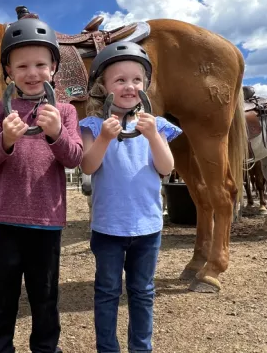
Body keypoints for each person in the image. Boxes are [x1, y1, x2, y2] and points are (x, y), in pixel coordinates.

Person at [0, 17, 84, 353]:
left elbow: (74, 158)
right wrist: (6, 140)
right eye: (22, 65)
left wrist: (55, 133)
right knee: (2, 297)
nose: (32, 72)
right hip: (6, 220)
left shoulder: (65, 111)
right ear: (8, 71)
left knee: (45, 297)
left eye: (41, 64)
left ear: (54, 68)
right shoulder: (0, 109)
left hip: (46, 222)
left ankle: (46, 349)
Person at [79, 41, 182, 353]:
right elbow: (87, 165)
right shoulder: (93, 126)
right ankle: (107, 349)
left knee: (142, 292)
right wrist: (105, 138)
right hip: (108, 228)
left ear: (146, 86)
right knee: (107, 292)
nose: (129, 86)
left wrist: (152, 136)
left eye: (136, 80)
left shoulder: (157, 125)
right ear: (104, 86)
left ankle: (141, 348)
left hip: (147, 228)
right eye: (119, 80)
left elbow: (166, 168)